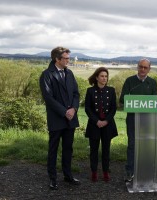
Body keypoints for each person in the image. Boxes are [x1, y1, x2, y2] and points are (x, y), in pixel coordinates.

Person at [39, 46, 80, 190]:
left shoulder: (70, 73)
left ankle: (68, 176)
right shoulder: (47, 74)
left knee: (68, 148)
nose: (69, 60)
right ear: (57, 59)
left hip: (71, 118)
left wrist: (74, 109)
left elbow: (76, 93)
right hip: (57, 118)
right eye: (66, 58)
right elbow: (48, 98)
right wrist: (64, 112)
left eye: (69, 58)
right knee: (53, 149)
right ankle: (52, 178)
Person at [119, 58, 157, 182]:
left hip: (148, 120)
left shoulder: (152, 82)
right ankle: (129, 171)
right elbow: (122, 100)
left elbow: (155, 102)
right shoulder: (129, 80)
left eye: (145, 67)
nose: (142, 69)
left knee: (146, 145)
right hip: (132, 119)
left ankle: (144, 171)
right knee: (132, 145)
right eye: (140, 66)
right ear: (137, 67)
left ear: (149, 69)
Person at [85, 67, 118, 183]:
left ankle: (105, 172)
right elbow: (87, 109)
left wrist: (106, 121)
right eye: (102, 76)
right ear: (97, 77)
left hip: (107, 125)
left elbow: (114, 108)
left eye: (106, 76)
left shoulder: (111, 90)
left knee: (106, 150)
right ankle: (94, 172)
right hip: (94, 125)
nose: (104, 78)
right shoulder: (90, 91)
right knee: (93, 150)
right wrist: (97, 121)